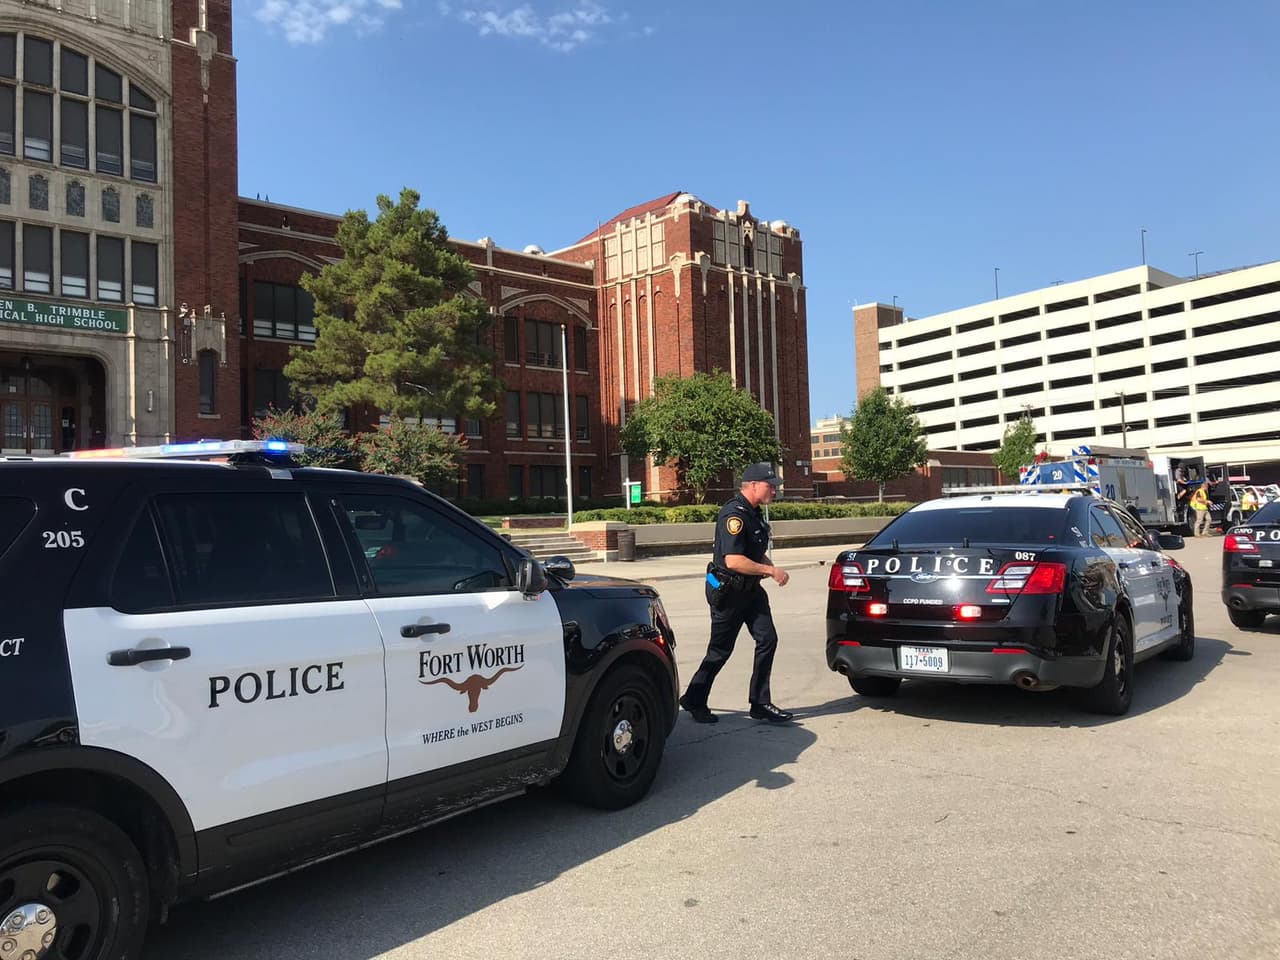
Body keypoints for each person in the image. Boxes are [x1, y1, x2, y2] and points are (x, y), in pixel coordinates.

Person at [679, 462, 794, 725]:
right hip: (729, 592)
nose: (774, 491)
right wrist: (770, 571)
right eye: (770, 486)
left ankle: (760, 703)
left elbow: (752, 552)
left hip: (751, 592)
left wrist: (770, 568)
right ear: (753, 486)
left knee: (768, 640)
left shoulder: (754, 514)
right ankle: (694, 698)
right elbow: (733, 560)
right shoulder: (734, 515)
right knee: (719, 651)